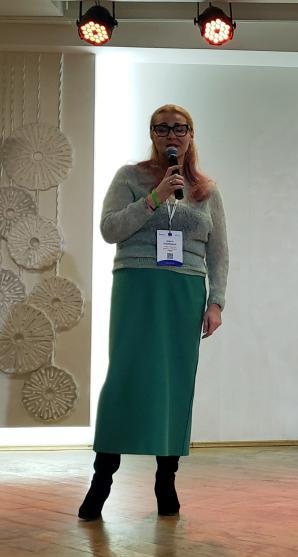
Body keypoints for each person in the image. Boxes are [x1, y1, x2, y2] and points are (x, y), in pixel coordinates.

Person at [78, 104, 229, 520]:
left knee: (174, 383)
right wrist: (154, 198)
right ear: (152, 134)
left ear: (191, 134)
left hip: (185, 291)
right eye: (162, 128)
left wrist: (216, 301)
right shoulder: (129, 177)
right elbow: (110, 229)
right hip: (138, 286)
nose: (171, 135)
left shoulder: (206, 190)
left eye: (180, 128)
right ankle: (102, 480)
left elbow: (219, 251)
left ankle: (166, 478)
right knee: (125, 379)